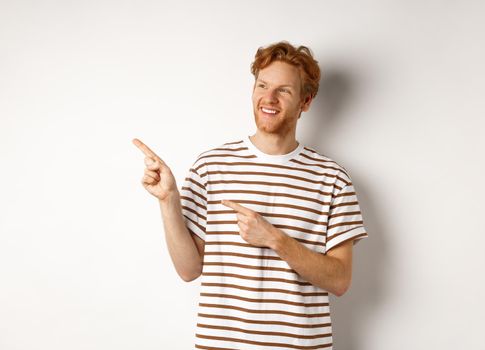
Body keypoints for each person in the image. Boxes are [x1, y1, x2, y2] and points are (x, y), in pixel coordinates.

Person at [132, 41, 368, 349]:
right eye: (262, 85)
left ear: (306, 101)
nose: (268, 98)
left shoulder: (332, 178)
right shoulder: (211, 167)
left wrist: (274, 239)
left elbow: (340, 280)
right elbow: (189, 270)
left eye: (284, 90)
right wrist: (168, 201)